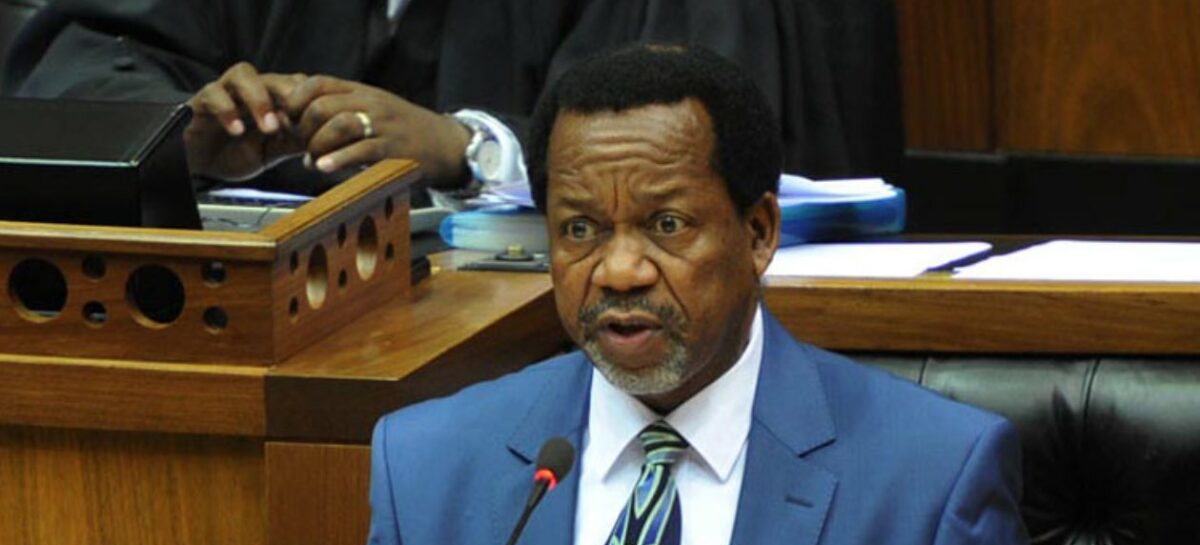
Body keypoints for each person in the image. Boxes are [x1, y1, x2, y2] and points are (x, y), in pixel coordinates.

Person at [309, 43, 1069, 545]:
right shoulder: (432, 461)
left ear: (759, 232)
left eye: (666, 224)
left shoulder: (932, 471)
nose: (619, 270)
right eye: (578, 231)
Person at [1, 0, 903, 194]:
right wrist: (180, 136)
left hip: (547, 368)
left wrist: (469, 151)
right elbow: (87, 50)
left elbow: (683, 138)